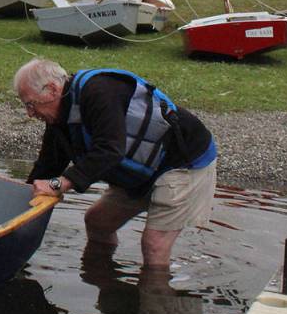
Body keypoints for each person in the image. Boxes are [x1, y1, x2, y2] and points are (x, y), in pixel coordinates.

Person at [14, 58, 217, 267]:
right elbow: (48, 164)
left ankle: (157, 297)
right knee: (97, 223)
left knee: (154, 245)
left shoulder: (100, 93)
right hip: (143, 172)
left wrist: (59, 184)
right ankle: (102, 276)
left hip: (183, 162)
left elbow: (110, 150)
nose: (30, 113)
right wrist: (20, 204)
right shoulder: (58, 117)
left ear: (52, 89)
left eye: (30, 104)